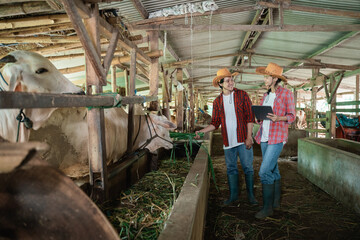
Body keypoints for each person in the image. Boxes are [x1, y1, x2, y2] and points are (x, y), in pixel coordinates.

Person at [195, 68, 257, 206]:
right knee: (231, 168)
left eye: (232, 80)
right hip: (228, 141)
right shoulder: (217, 102)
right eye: (228, 81)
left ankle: (251, 196)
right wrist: (202, 131)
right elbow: (215, 123)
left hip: (242, 138)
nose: (231, 83)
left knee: (248, 167)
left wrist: (249, 136)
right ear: (220, 84)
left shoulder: (242, 95)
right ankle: (233, 196)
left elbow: (250, 117)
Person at [254, 62, 296, 219]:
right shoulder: (265, 96)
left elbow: (292, 116)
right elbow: (263, 117)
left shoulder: (286, 94)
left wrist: (279, 118)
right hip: (264, 136)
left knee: (264, 172)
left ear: (275, 79)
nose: (265, 79)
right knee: (273, 170)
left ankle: (267, 208)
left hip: (277, 137)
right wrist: (258, 117)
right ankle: (276, 202)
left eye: (267, 76)